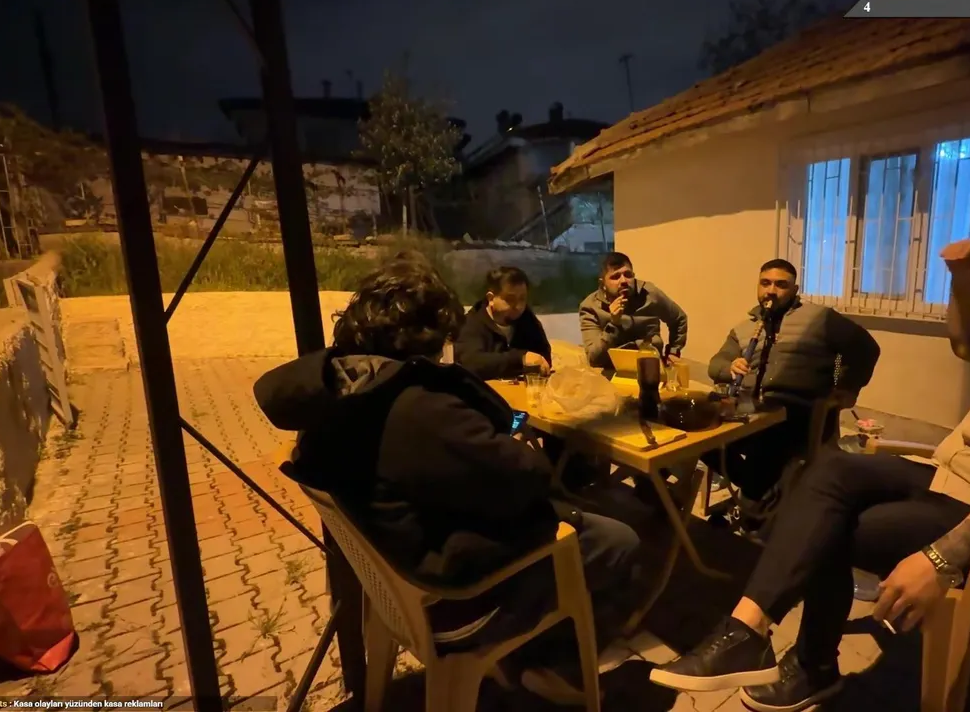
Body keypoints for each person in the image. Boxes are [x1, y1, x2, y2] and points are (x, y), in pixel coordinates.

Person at [649, 232, 970, 712]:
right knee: (830, 469)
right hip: (947, 480)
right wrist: (961, 277)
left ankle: (813, 665)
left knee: (829, 530)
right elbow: (969, 340)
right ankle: (746, 631)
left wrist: (939, 558)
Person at [253, 256, 639, 704]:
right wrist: (520, 442)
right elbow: (528, 479)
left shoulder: (338, 389)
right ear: (429, 335)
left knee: (580, 522)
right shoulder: (419, 410)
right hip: (451, 598)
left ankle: (534, 654)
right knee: (618, 540)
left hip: (395, 571)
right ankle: (550, 663)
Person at [703, 259, 881, 528]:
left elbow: (865, 348)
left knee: (765, 443)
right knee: (699, 435)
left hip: (799, 412)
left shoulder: (819, 318)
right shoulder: (744, 327)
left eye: (780, 285)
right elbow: (715, 364)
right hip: (751, 410)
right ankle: (762, 494)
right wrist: (730, 367)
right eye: (765, 283)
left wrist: (846, 386)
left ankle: (753, 508)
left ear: (795, 289)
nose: (771, 291)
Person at [579, 252, 689, 370]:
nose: (624, 281)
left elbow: (679, 319)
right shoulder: (590, 307)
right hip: (612, 369)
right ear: (603, 284)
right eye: (615, 277)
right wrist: (614, 324)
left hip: (650, 365)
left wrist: (673, 351)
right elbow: (594, 359)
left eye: (628, 275)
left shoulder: (649, 294)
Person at [456, 266, 552, 379]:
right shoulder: (472, 323)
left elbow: (544, 357)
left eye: (522, 299)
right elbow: (472, 364)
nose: (518, 306)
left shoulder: (526, 318)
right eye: (510, 299)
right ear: (491, 298)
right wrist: (520, 358)